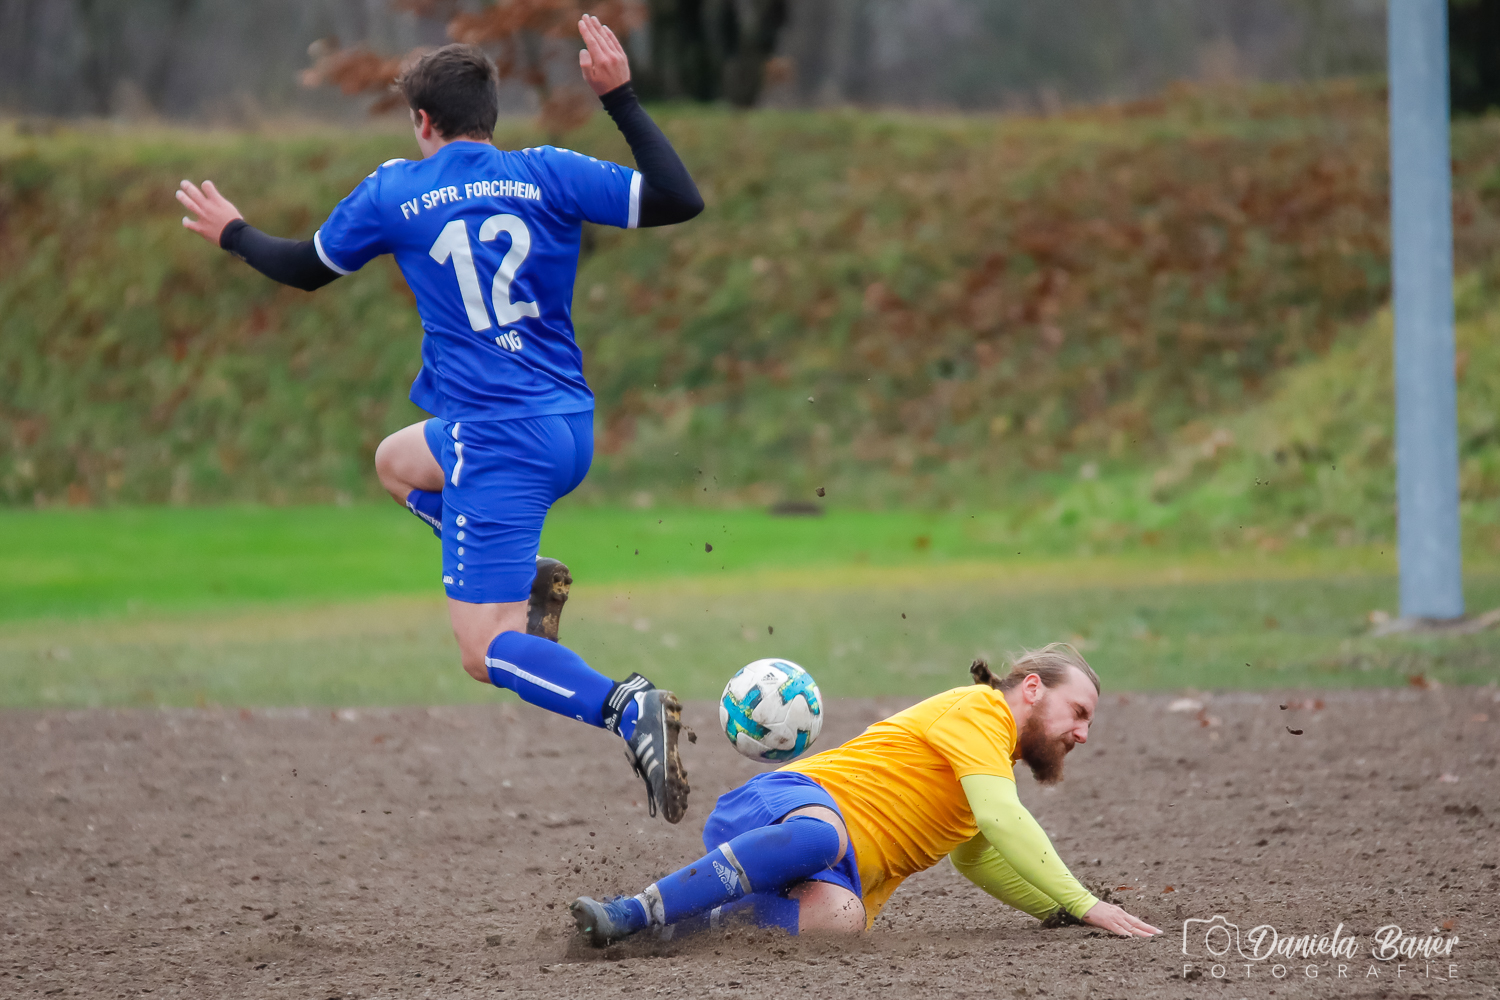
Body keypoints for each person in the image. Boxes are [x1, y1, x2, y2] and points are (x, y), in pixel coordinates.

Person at [174, 18, 704, 822]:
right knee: (395, 460)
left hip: (497, 444)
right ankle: (520, 581)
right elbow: (678, 197)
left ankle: (624, 705)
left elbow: (304, 269)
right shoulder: (548, 172)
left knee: (484, 651)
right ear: (491, 113)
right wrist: (619, 98)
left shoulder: (395, 190)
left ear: (421, 121)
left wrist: (234, 234)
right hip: (566, 428)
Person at [571, 644, 1163, 941]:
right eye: (1078, 712)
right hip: (786, 803)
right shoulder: (981, 709)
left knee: (843, 920)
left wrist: (1061, 913)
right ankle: (634, 910)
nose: (1083, 733)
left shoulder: (989, 767)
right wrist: (1089, 901)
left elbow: (980, 856)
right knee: (821, 835)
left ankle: (679, 924)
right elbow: (1003, 819)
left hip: (833, 871)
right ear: (1031, 688)